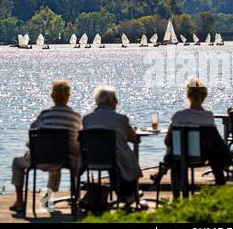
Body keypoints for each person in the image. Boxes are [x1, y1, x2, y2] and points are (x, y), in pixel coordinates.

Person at [10, 80, 82, 212]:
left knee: (16, 162)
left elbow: (33, 132)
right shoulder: (75, 117)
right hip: (64, 160)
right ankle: (75, 198)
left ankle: (20, 201)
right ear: (68, 96)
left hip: (39, 160)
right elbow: (77, 140)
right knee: (72, 162)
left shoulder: (44, 114)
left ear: (52, 96)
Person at [164, 78, 229, 199]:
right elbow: (214, 142)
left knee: (173, 160)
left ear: (188, 95)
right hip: (202, 157)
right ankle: (221, 191)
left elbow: (167, 142)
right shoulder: (208, 117)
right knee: (215, 155)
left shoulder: (179, 116)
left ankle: (177, 197)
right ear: (204, 96)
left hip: (179, 158)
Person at [82, 85, 142, 204]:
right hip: (115, 160)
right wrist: (133, 131)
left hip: (91, 159)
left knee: (116, 156)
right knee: (126, 157)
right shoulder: (120, 119)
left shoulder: (87, 119)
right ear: (110, 101)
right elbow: (135, 139)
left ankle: (125, 194)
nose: (117, 102)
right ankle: (129, 193)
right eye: (115, 99)